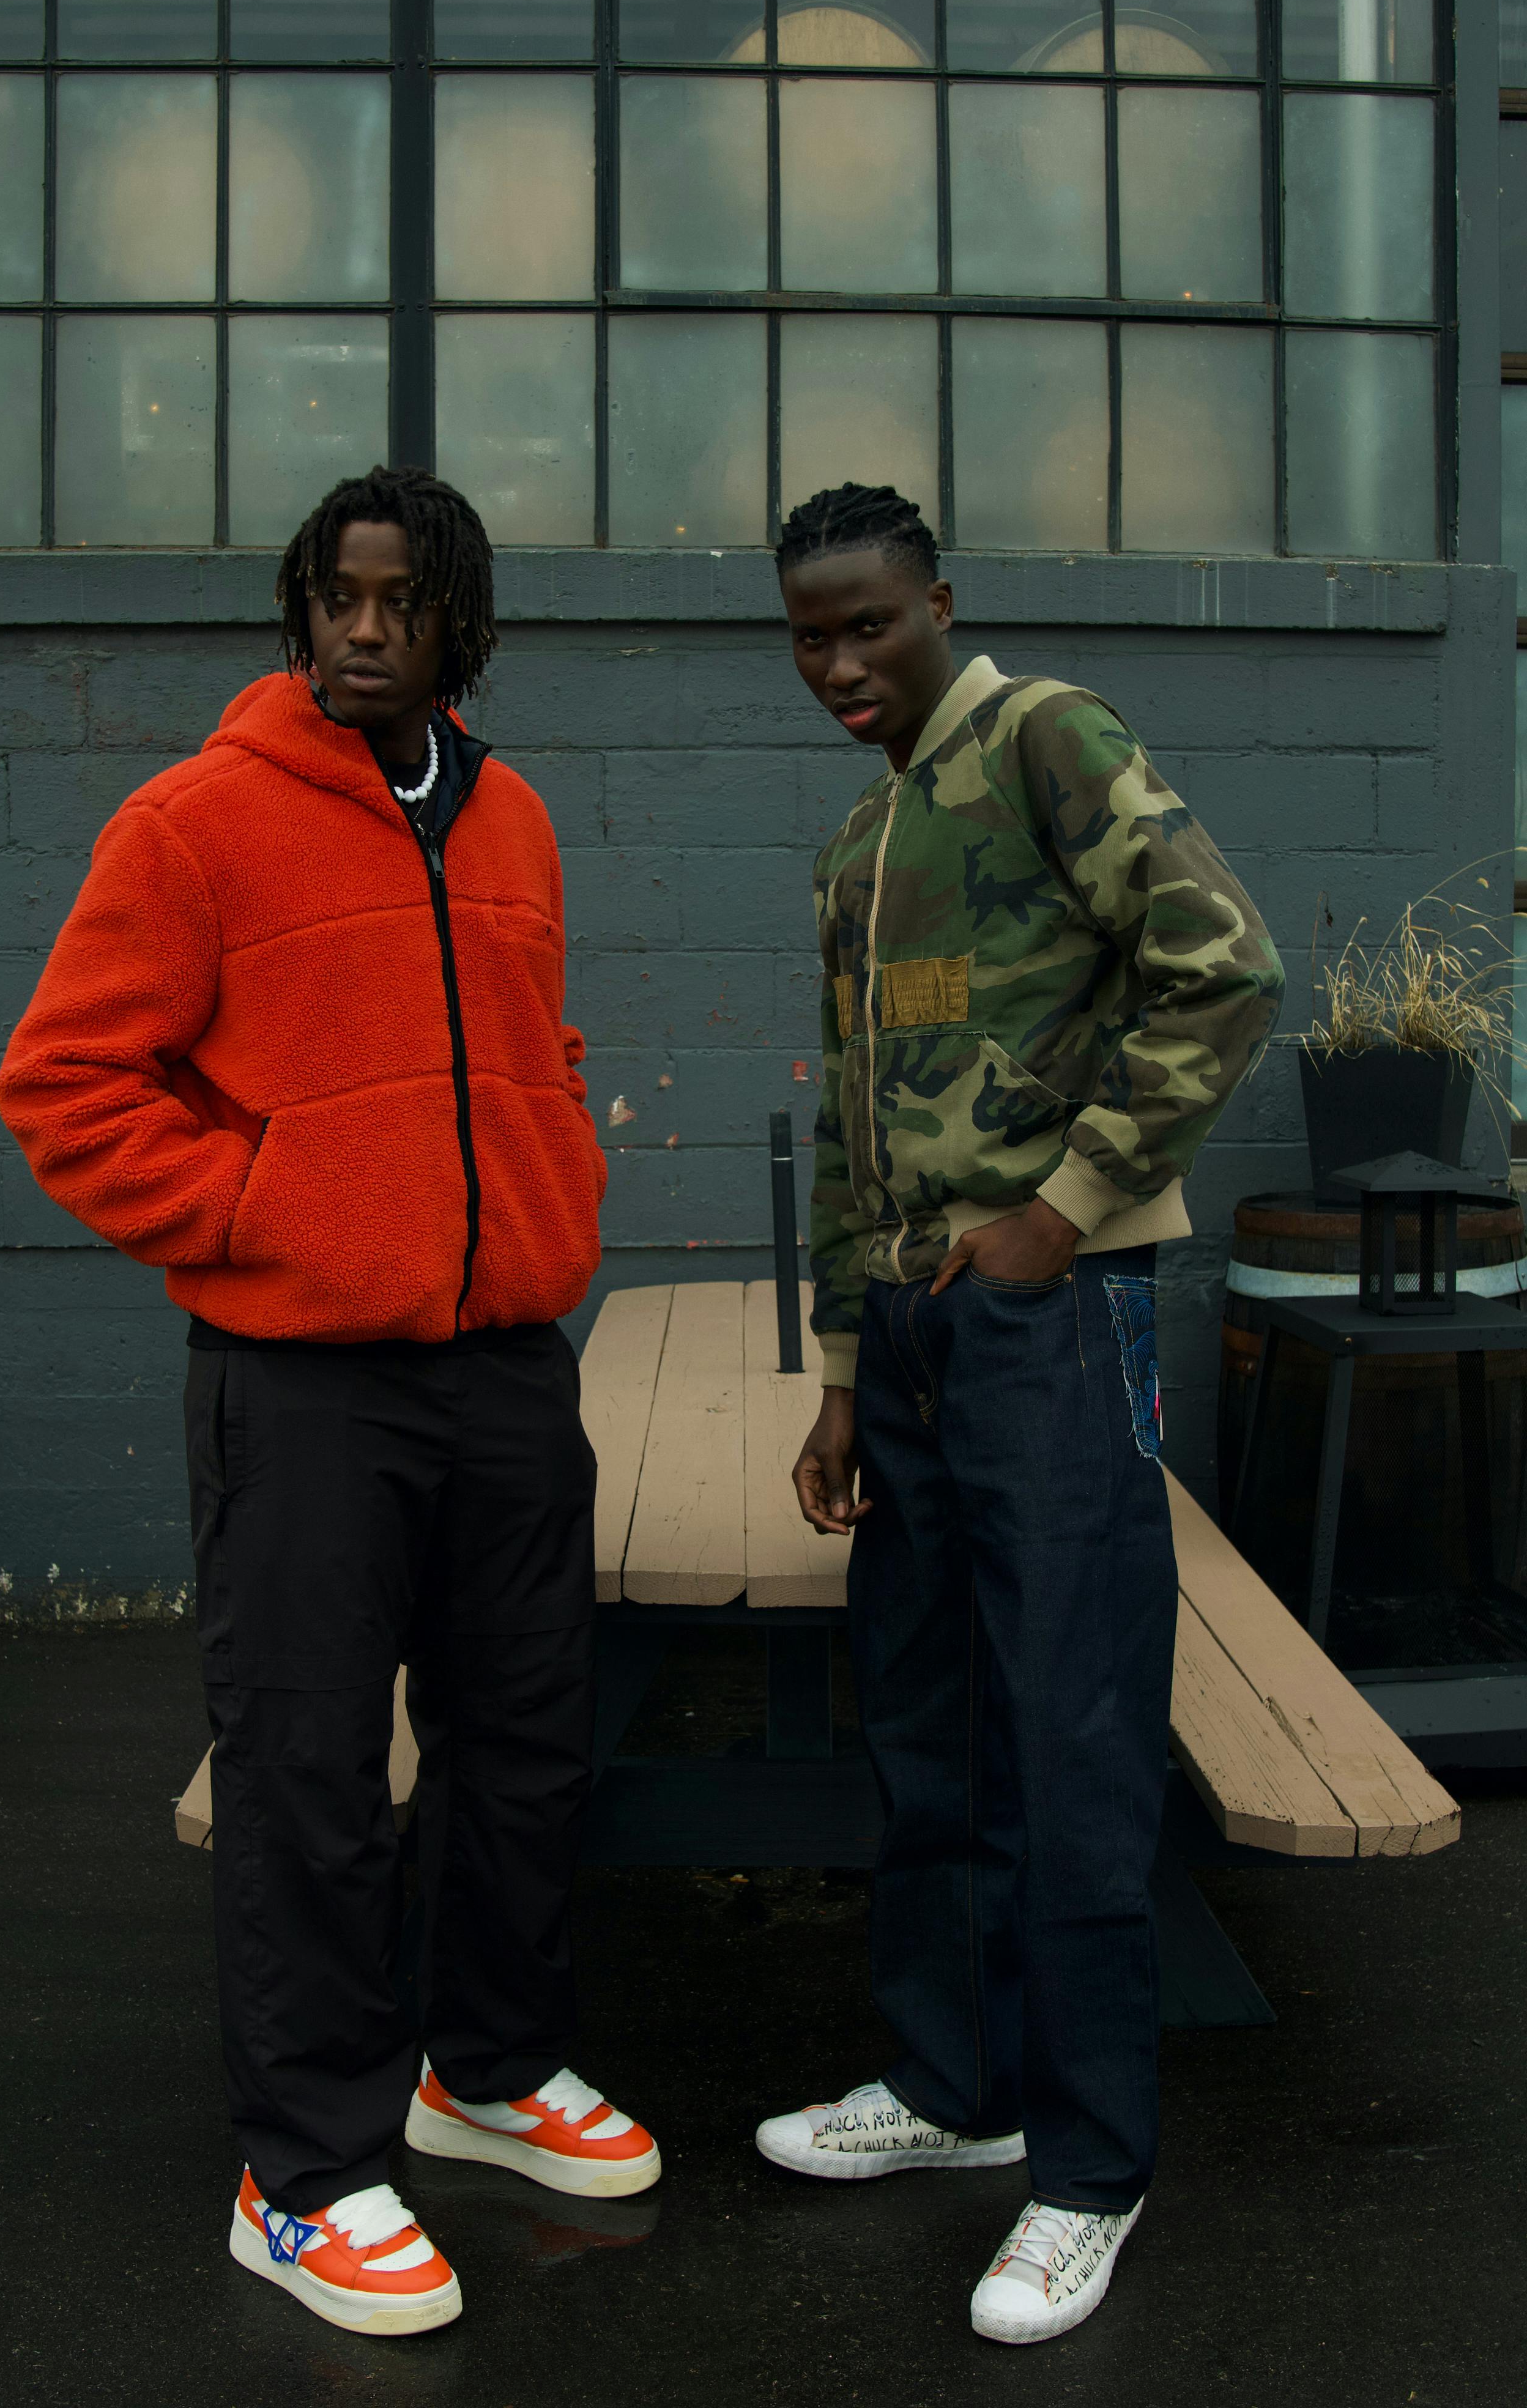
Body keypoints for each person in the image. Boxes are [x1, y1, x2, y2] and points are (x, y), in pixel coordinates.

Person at [0, 464, 658, 2341]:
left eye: (403, 603)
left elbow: (530, 1043)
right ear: (299, 615)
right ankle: (302, 2175)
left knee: (526, 1740)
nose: (366, 631)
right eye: (336, 600)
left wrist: (549, 1175)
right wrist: (258, 1218)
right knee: (307, 1777)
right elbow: (63, 1084)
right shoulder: (196, 822)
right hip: (300, 1386)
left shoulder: (512, 817)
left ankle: (489, 2073)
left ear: (458, 623)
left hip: (507, 1362)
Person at [754, 483, 1284, 2346]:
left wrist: (1065, 1212)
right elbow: (849, 1128)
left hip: (1054, 1321)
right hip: (906, 1345)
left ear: (935, 606)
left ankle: (1086, 2172)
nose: (838, 663)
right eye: (808, 634)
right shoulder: (854, 843)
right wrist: (835, 1379)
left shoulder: (1045, 738)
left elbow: (1222, 966)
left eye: (868, 626)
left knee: (1065, 1733)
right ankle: (950, 2088)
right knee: (925, 1722)